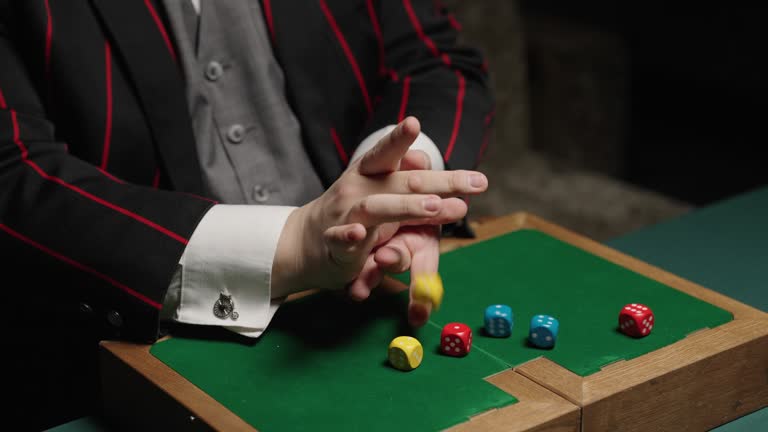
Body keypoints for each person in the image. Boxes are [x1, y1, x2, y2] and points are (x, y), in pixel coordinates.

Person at [1, 0, 494, 429]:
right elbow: (12, 173)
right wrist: (294, 242)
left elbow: (433, 58)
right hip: (131, 345)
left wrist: (400, 175)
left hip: (375, 294)